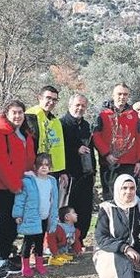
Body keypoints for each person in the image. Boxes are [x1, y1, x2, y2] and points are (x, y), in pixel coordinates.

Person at [0, 100, 36, 278]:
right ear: (7, 113)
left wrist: (27, 181)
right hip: (1, 187)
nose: (17, 116)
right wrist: (14, 185)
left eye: (20, 112)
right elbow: (0, 163)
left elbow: (28, 161)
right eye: (14, 112)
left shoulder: (24, 134)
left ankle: (2, 258)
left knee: (12, 225)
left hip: (19, 186)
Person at [93, 83, 140, 200]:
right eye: (119, 94)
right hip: (109, 162)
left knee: (129, 197)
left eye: (125, 94)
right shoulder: (103, 114)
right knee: (111, 197)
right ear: (113, 95)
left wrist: (139, 161)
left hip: (129, 164)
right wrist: (106, 154)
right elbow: (96, 136)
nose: (122, 97)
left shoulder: (134, 115)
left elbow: (139, 138)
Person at [12, 153, 59, 277]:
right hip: (31, 217)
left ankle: (39, 264)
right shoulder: (28, 182)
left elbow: (54, 199)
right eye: (41, 165)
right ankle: (25, 266)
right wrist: (18, 214)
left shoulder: (52, 181)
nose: (44, 167)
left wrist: (53, 216)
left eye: (47, 165)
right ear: (35, 166)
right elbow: (20, 199)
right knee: (28, 242)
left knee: (40, 242)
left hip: (45, 217)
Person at [59, 93, 95, 244]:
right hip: (70, 175)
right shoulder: (61, 124)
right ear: (70, 106)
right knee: (68, 211)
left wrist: (94, 171)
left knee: (85, 211)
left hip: (86, 174)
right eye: (77, 105)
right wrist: (75, 149)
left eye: (83, 106)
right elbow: (59, 149)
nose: (80, 108)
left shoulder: (86, 125)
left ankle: (79, 241)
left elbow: (90, 149)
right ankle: (65, 241)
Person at [25, 86, 67, 186]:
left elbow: (58, 147)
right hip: (37, 169)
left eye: (54, 99)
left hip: (52, 170)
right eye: (48, 98)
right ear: (39, 98)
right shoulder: (30, 116)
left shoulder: (55, 120)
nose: (51, 102)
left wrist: (62, 171)